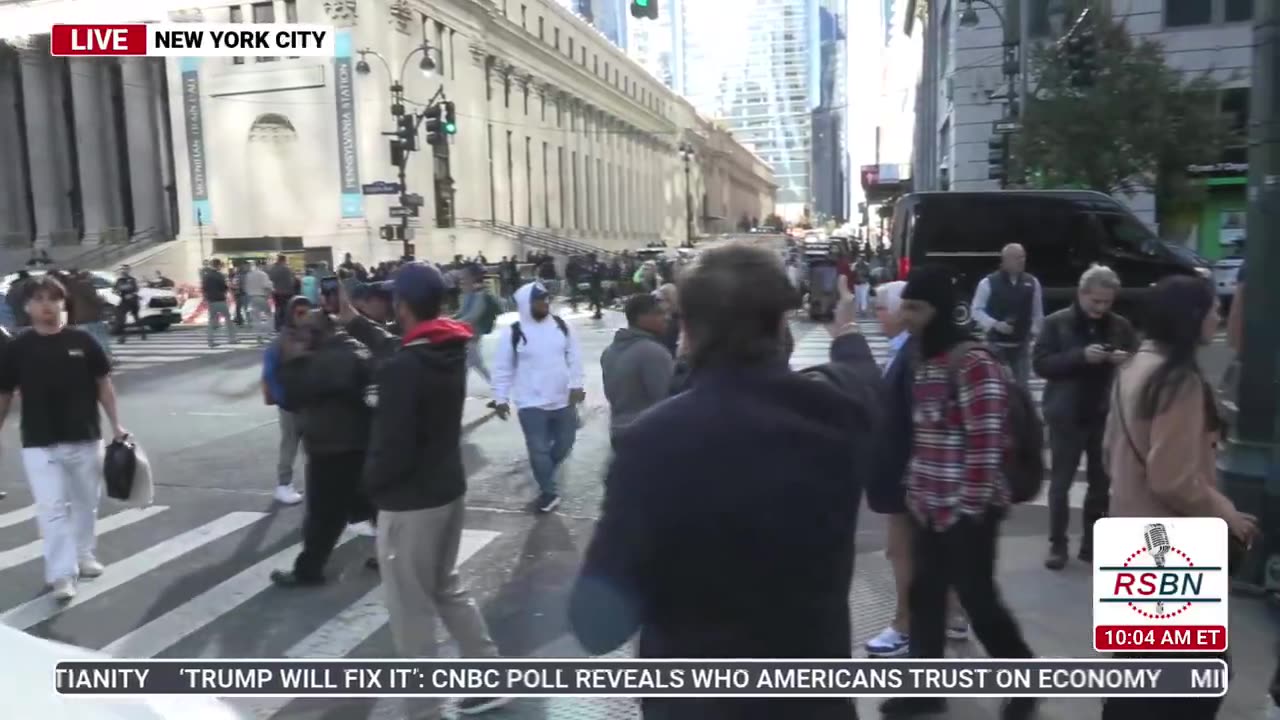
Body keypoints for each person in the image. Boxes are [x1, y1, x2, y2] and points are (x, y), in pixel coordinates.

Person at [569, 244, 881, 720]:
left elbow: (597, 624)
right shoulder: (838, 413)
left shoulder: (652, 443)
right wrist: (847, 328)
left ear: (688, 330)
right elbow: (862, 378)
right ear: (781, 326)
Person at [881, 265, 1036, 720]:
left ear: (939, 311)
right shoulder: (922, 359)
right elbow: (926, 433)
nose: (906, 315)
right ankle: (926, 690)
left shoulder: (972, 362)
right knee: (924, 598)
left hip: (969, 511)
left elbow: (986, 442)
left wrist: (966, 509)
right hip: (930, 506)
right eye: (904, 305)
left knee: (978, 601)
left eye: (916, 307)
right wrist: (915, 488)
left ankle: (1025, 682)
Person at [1102, 275, 1256, 720]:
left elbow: (1111, 453)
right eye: (1211, 310)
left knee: (1137, 669)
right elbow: (1171, 478)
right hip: (1172, 546)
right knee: (1196, 676)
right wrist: (1224, 510)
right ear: (1190, 318)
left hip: (1130, 533)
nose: (1219, 316)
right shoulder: (1179, 381)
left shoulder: (1132, 366)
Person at [0, 275, 126, 601]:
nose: (47, 306)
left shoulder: (83, 342)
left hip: (84, 437)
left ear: (62, 303)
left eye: (53, 299)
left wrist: (116, 425)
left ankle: (84, 555)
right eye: (40, 299)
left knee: (86, 504)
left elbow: (104, 384)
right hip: (40, 443)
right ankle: (61, 574)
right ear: (27, 307)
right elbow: (4, 393)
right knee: (51, 509)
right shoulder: (17, 348)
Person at [1033, 265, 1137, 570]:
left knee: (1100, 484)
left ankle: (1092, 544)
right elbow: (1041, 363)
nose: (1101, 308)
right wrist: (1080, 356)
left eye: (1107, 302)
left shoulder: (1119, 325)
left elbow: (1139, 354)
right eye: (1096, 302)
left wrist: (1126, 359)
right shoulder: (1056, 323)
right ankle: (1057, 544)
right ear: (1082, 294)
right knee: (1061, 483)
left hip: (1104, 413)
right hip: (1067, 414)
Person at [269, 308, 375, 587]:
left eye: (305, 330)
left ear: (318, 332)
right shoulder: (349, 349)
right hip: (354, 442)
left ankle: (309, 570)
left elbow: (292, 395)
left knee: (324, 515)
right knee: (369, 504)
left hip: (332, 446)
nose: (301, 335)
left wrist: (291, 362)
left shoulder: (325, 360)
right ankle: (395, 552)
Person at [490, 282, 585, 513]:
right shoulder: (514, 332)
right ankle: (549, 492)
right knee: (538, 449)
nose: (545, 303)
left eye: (546, 299)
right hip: (530, 403)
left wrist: (577, 385)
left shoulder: (562, 327)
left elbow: (575, 358)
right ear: (525, 304)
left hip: (563, 399)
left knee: (565, 444)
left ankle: (544, 473)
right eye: (539, 300)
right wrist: (500, 398)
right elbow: (503, 368)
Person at [601, 294, 675, 443]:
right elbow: (668, 401)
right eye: (659, 313)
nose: (666, 318)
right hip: (649, 435)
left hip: (618, 432)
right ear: (641, 317)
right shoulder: (653, 352)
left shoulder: (609, 351)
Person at [261, 296, 311, 506]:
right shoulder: (280, 343)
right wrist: (283, 399)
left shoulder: (312, 337)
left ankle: (311, 486)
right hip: (290, 404)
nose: (305, 317)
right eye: (300, 313)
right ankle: (283, 485)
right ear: (291, 315)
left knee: (312, 448)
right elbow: (270, 374)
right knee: (290, 445)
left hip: (309, 403)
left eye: (308, 313)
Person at [971, 243, 1043, 387]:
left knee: (1022, 387)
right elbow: (976, 310)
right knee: (995, 384)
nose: (1022, 261)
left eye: (1023, 257)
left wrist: (1033, 332)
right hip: (996, 345)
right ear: (1005, 260)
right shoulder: (988, 283)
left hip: (1021, 344)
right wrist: (995, 324)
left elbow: (1037, 312)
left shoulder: (1032, 282)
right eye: (1017, 258)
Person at [453, 265, 502, 384]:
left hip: (473, 335)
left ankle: (499, 390)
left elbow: (473, 315)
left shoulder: (480, 295)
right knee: (473, 364)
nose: (462, 280)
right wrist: (449, 320)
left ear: (473, 278)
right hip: (466, 336)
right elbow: (461, 313)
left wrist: (453, 323)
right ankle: (498, 390)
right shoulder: (466, 295)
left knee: (472, 364)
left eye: (465, 277)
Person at [201, 260, 237, 348]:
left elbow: (204, 288)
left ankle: (210, 340)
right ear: (218, 266)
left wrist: (206, 297)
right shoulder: (219, 275)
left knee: (211, 321)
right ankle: (231, 339)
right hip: (220, 299)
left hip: (211, 300)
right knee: (228, 320)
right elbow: (223, 287)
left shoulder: (206, 276)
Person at [241, 259, 274, 344]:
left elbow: (245, 288)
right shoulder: (263, 274)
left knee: (256, 318)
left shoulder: (248, 275)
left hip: (251, 298)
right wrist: (270, 292)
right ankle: (268, 333)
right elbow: (267, 286)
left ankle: (258, 336)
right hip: (261, 297)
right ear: (261, 266)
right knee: (269, 315)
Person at [112, 264, 147, 342]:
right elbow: (114, 290)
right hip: (124, 300)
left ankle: (141, 333)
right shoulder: (119, 280)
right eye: (122, 269)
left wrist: (131, 294)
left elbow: (136, 289)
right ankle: (123, 337)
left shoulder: (132, 279)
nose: (123, 271)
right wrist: (118, 292)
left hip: (132, 301)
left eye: (125, 269)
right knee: (121, 318)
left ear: (128, 270)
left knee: (135, 317)